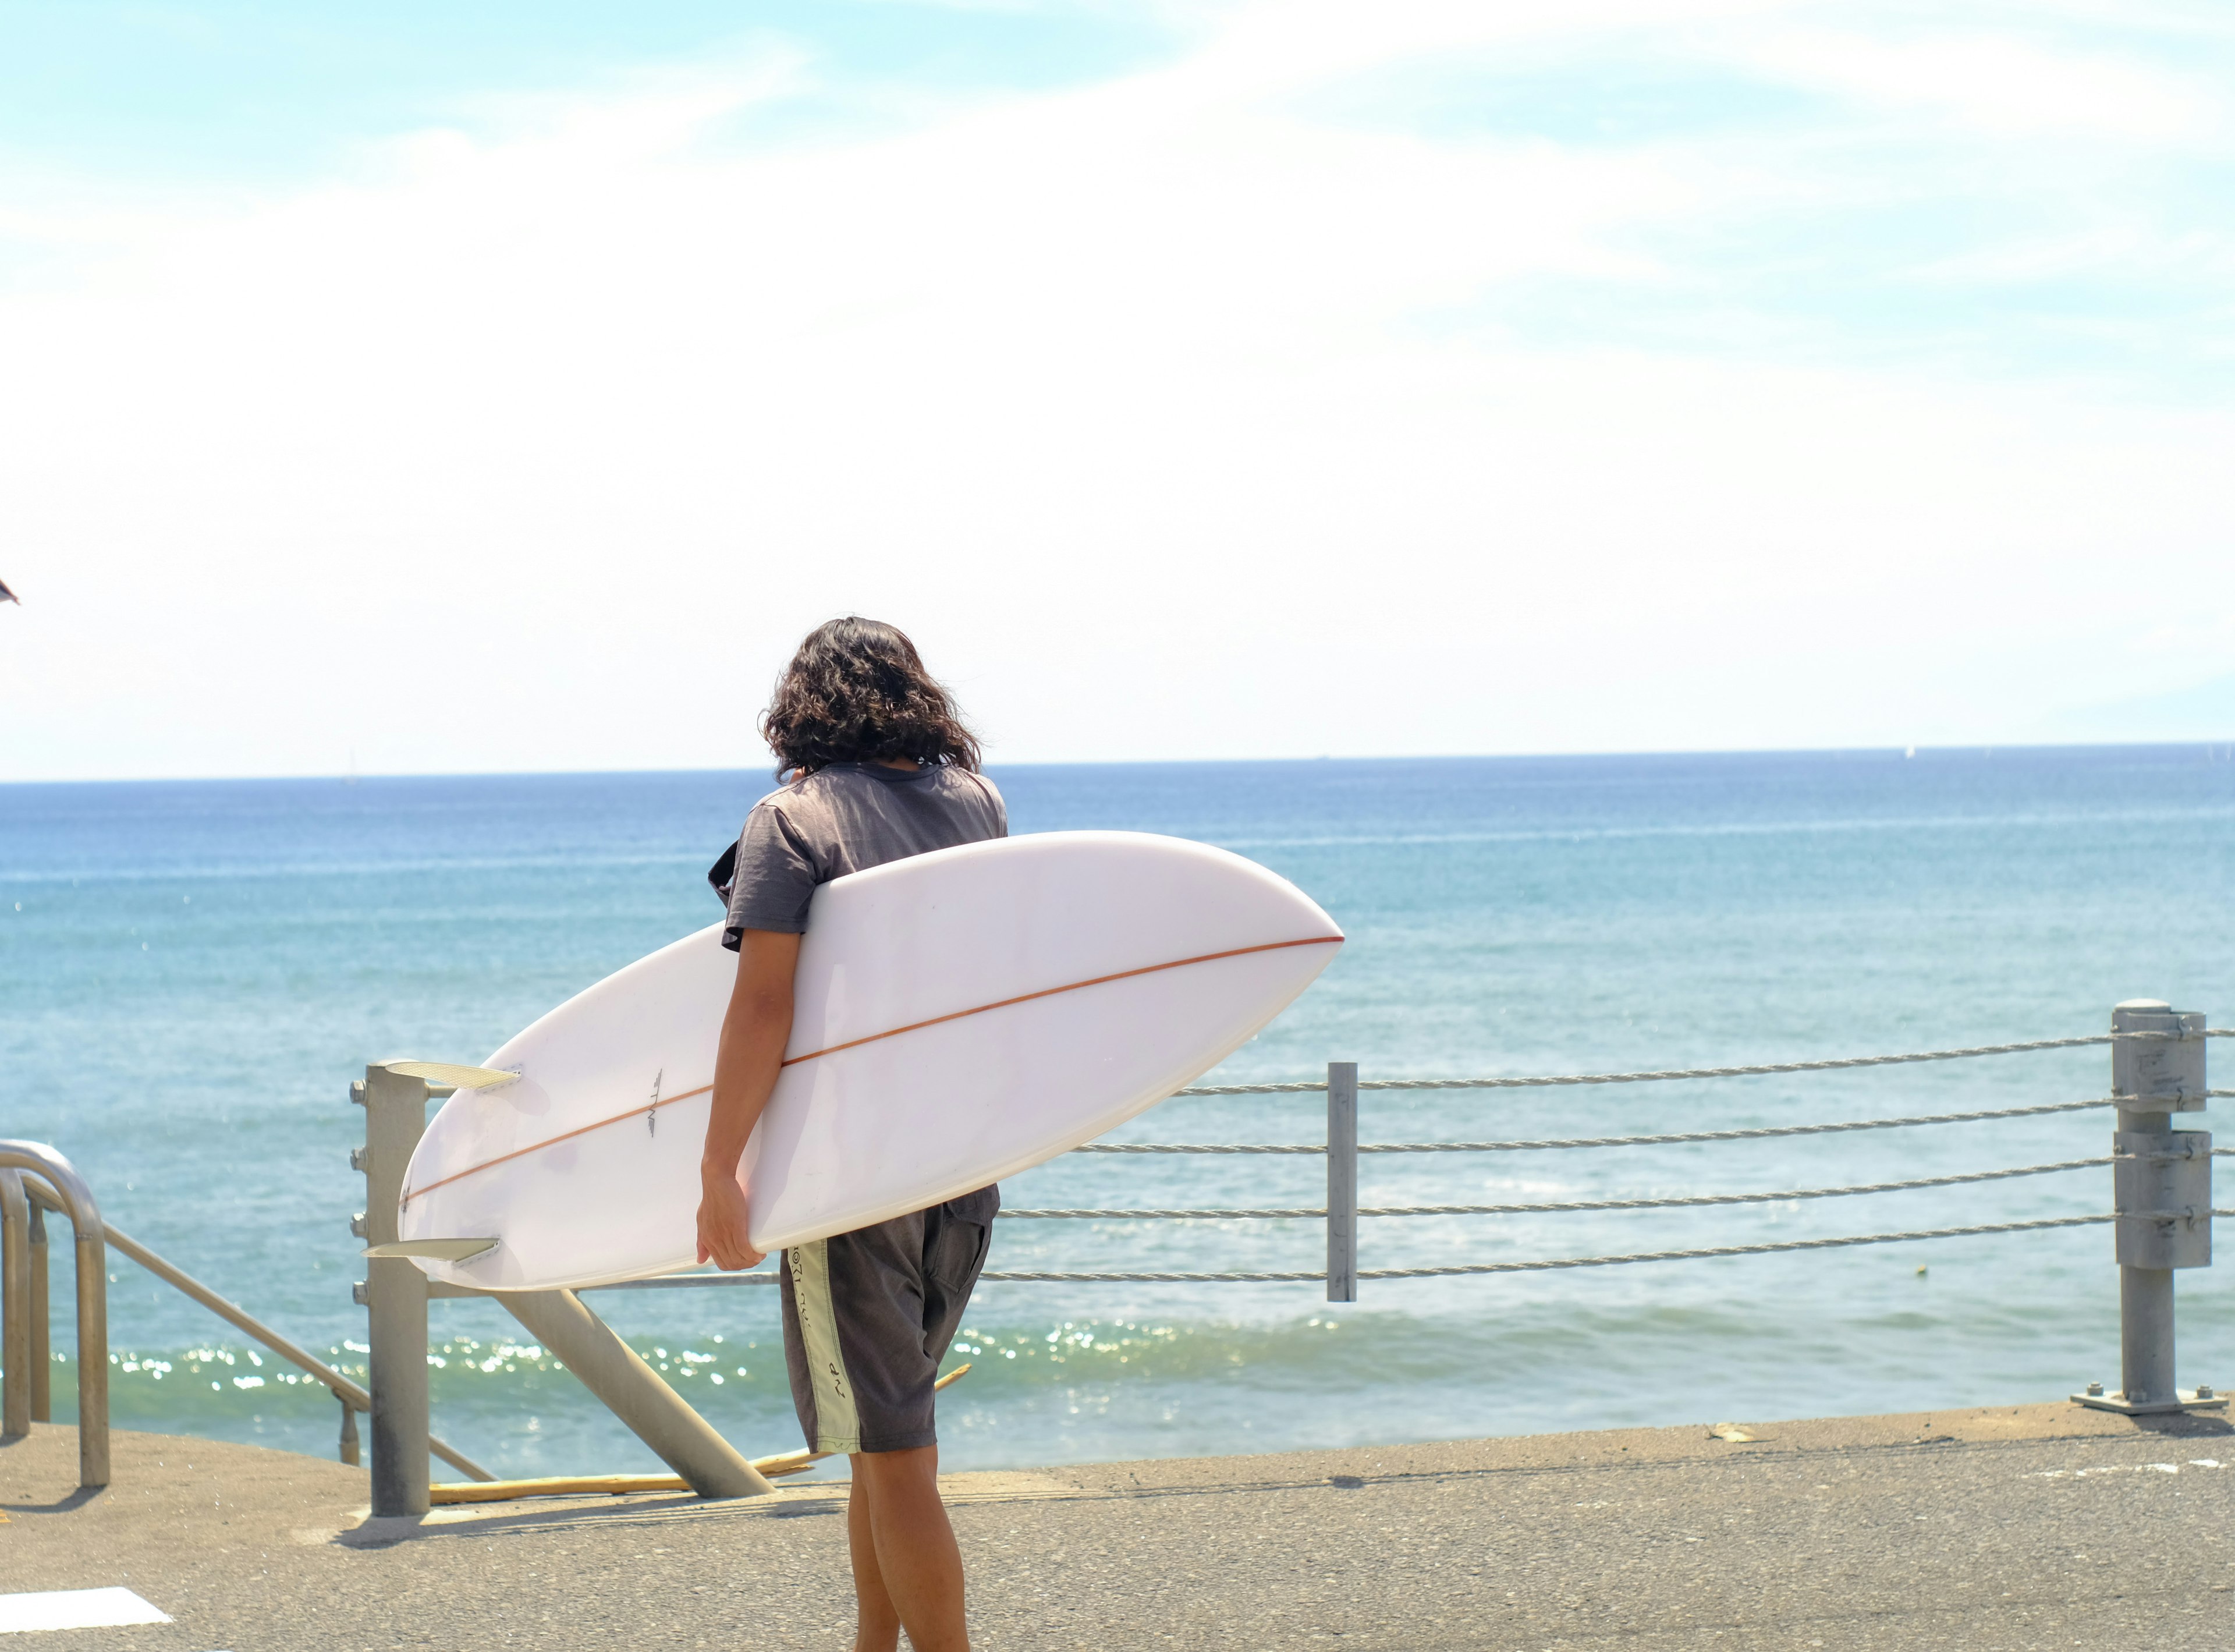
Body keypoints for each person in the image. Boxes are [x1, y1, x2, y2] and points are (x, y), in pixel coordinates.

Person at [696, 616, 1002, 1652]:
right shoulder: (977, 805)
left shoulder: (794, 821)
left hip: (853, 1179)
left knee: (898, 1452)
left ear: (802, 705)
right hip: (965, 1168)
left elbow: (762, 1008)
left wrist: (718, 1168)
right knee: (882, 1444)